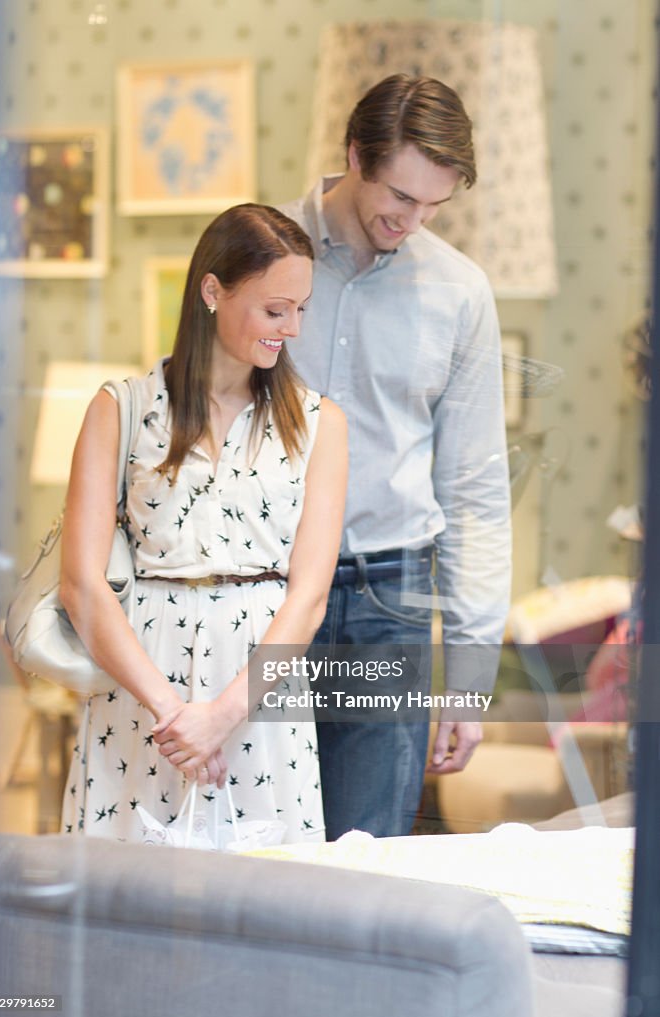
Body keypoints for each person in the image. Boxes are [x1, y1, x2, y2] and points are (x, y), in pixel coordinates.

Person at [59, 203, 348, 845]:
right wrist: (175, 716)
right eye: (276, 309)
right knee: (125, 903)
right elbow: (81, 586)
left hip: (260, 696)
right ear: (212, 291)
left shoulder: (321, 422)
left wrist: (221, 716)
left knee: (265, 905)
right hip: (137, 695)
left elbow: (309, 596)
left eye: (301, 309)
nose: (292, 328)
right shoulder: (121, 409)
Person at [279, 74, 512, 840]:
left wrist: (470, 680)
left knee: (367, 861)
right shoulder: (263, 250)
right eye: (399, 197)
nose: (411, 221)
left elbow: (475, 490)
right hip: (261, 587)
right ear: (355, 155)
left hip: (389, 601)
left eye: (433, 207)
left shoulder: (459, 292)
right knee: (251, 851)